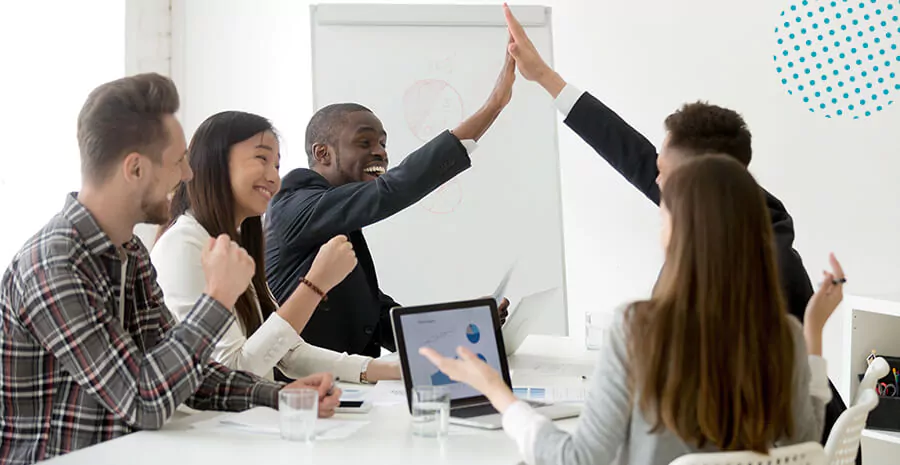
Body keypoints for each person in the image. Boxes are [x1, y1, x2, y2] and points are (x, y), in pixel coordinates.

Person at [500, 4, 851, 454]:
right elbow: (631, 153)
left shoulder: (763, 259)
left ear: (699, 181)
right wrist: (546, 77)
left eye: (665, 172)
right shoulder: (731, 226)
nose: (656, 182)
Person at [0, 74, 340, 465]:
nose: (188, 175)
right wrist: (217, 299)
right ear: (135, 169)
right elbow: (144, 399)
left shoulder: (131, 254)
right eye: (178, 160)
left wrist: (280, 395)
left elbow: (180, 372)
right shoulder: (56, 263)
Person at [421, 155, 841, 465]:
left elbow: (579, 460)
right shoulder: (783, 334)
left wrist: (496, 391)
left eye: (664, 220)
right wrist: (813, 333)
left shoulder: (638, 328)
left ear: (681, 234)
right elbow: (807, 440)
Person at [264, 43, 515, 358]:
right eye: (364, 142)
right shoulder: (296, 201)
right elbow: (392, 189)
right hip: (301, 391)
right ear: (322, 153)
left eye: (383, 143)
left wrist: (467, 324)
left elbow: (379, 321)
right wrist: (493, 106)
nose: (380, 152)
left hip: (344, 387)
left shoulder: (337, 219)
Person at [152, 111, 401, 384]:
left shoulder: (235, 246)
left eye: (277, 166)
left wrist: (389, 371)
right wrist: (315, 285)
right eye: (262, 159)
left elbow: (286, 353)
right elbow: (233, 372)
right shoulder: (183, 245)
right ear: (215, 162)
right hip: (209, 423)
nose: (273, 178)